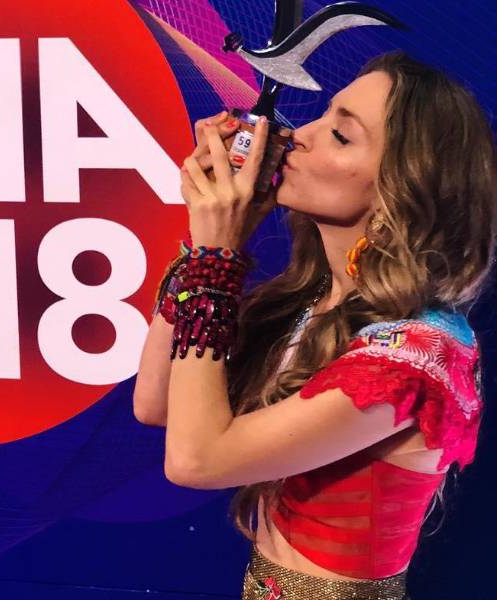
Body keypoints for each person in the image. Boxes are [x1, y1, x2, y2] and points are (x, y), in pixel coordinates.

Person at [133, 50, 496, 600]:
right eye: (323, 117)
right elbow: (155, 403)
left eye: (341, 136)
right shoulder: (315, 305)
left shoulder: (417, 354)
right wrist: (203, 241)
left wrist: (215, 256)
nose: (300, 135)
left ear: (399, 192)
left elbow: (195, 460)